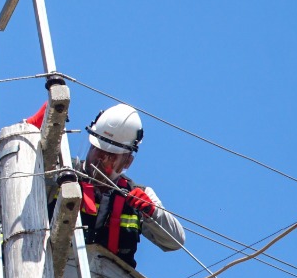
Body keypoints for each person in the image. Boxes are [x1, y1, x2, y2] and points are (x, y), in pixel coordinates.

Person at [29, 101, 184, 268]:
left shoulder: (138, 193)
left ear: (127, 162)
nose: (101, 160)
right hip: (54, 271)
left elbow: (175, 241)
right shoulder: (62, 173)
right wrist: (29, 131)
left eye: (111, 157)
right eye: (97, 151)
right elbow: (20, 173)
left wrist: (152, 212)